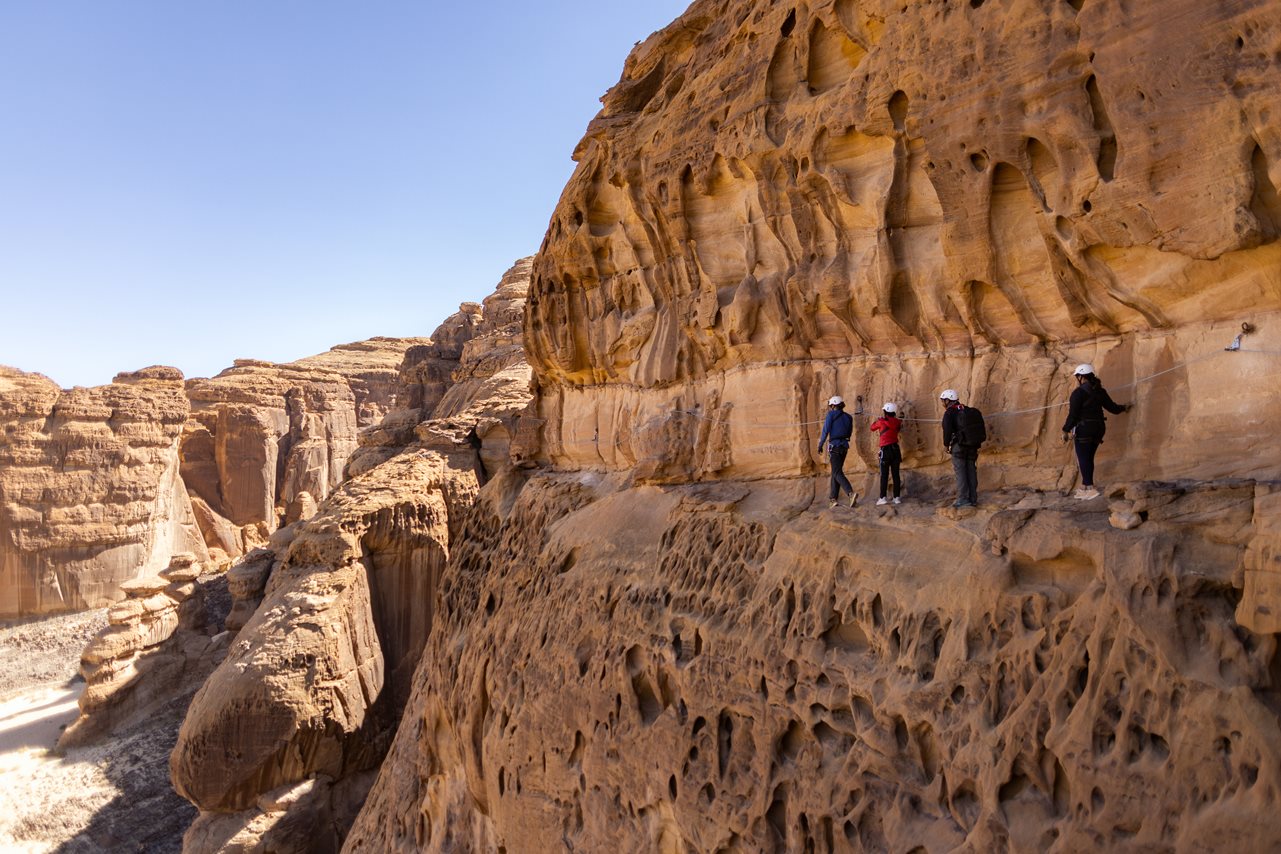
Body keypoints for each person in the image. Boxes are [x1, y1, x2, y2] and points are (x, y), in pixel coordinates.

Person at [1062, 364, 1130, 499]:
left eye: (1077, 376)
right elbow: (1113, 408)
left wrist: (1065, 430)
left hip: (1084, 428)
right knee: (1088, 457)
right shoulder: (1100, 391)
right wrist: (1124, 407)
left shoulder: (1078, 393)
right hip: (1099, 428)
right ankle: (1085, 486)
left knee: (1083, 458)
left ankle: (1090, 488)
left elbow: (1073, 415)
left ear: (1081, 377)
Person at [817, 395, 858, 508]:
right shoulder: (849, 417)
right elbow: (849, 433)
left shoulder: (831, 415)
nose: (830, 408)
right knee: (836, 471)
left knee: (836, 472)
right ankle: (833, 499)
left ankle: (850, 493)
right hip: (844, 446)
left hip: (834, 446)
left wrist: (820, 445)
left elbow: (825, 431)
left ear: (833, 405)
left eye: (831, 406)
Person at [940, 389, 979, 507]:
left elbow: (947, 430)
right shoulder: (967, 410)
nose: (942, 403)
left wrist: (946, 445)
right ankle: (973, 498)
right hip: (972, 445)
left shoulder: (949, 412)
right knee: (971, 470)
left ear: (948, 400)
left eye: (943, 401)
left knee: (961, 472)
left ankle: (963, 499)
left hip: (959, 446)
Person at [870, 402, 903, 505]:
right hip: (896, 450)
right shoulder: (898, 422)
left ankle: (882, 498)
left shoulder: (881, 422)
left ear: (885, 412)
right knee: (896, 474)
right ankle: (896, 498)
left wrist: (880, 420)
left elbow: (872, 427)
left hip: (885, 450)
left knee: (884, 475)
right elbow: (897, 425)